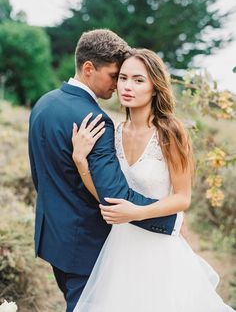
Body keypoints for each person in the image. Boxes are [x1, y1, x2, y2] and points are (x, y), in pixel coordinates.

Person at [28, 30, 181, 312]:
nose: (118, 85)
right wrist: (169, 219)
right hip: (86, 245)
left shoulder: (44, 104)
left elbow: (40, 175)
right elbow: (114, 194)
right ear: (89, 69)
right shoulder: (96, 120)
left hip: (53, 239)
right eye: (115, 75)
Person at [72, 48, 235, 311]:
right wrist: (81, 162)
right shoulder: (114, 132)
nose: (127, 86)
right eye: (123, 78)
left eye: (138, 80)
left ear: (155, 87)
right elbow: (108, 198)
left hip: (158, 250)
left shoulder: (170, 131)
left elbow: (182, 198)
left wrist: (138, 211)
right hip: (120, 250)